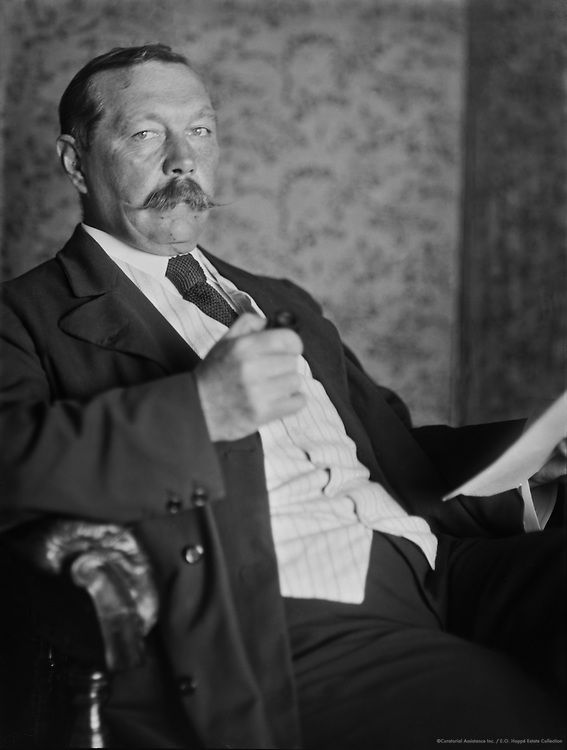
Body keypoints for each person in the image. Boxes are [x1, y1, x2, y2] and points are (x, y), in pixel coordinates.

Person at [0, 44, 565, 749]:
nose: (184, 160)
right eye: (146, 134)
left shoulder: (277, 298)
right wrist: (199, 411)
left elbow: (395, 450)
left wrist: (529, 457)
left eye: (200, 131)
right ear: (75, 161)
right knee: (506, 718)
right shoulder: (23, 316)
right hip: (285, 613)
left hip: (438, 568)